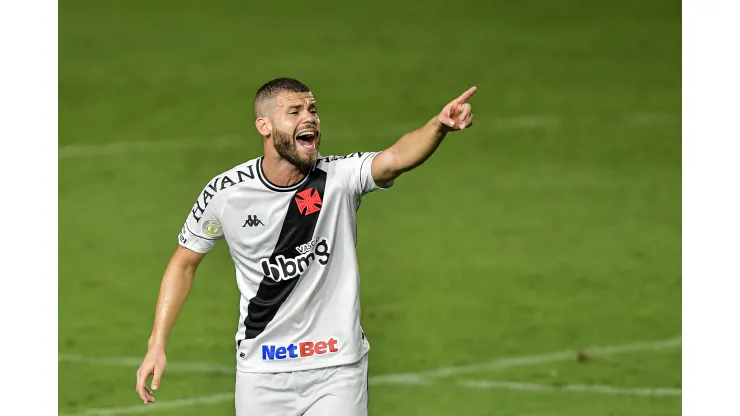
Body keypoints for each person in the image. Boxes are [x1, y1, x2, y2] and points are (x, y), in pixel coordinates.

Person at [135, 77, 476, 415]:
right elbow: (184, 263)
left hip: (337, 369)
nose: (309, 117)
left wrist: (438, 126)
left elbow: (395, 158)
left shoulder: (339, 179)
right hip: (262, 370)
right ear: (264, 126)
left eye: (312, 109)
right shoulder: (225, 194)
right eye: (294, 111)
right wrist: (156, 343)